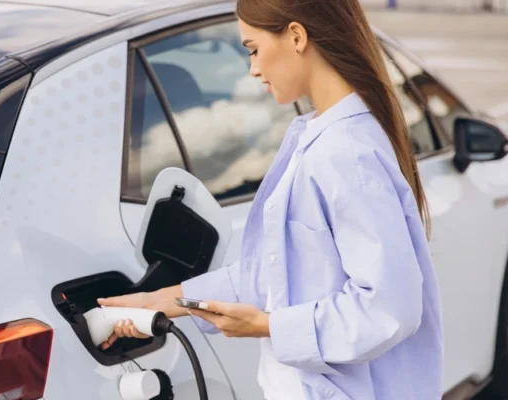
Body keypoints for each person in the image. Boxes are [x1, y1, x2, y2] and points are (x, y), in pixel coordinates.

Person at [96, 0, 444, 399]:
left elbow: (389, 307)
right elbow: (274, 276)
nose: (254, 69)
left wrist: (268, 326)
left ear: (296, 36)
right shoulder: (320, 137)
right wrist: (157, 301)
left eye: (253, 49)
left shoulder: (345, 152)